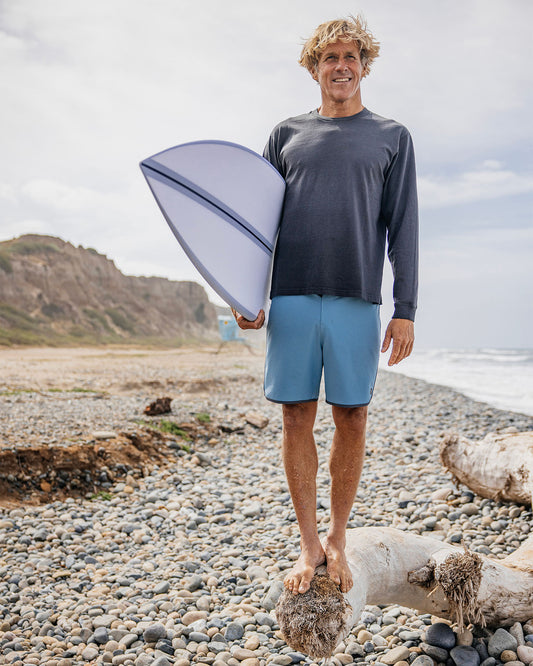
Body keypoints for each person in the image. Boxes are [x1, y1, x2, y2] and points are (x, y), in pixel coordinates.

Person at [232, 16, 418, 596]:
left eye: (351, 57)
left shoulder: (392, 136)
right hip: (289, 294)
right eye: (330, 58)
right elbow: (259, 224)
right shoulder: (285, 134)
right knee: (295, 415)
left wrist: (405, 307)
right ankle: (308, 542)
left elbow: (404, 227)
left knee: (352, 415)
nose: (341, 67)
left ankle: (338, 536)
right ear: (313, 67)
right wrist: (246, 293)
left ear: (364, 66)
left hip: (356, 296)